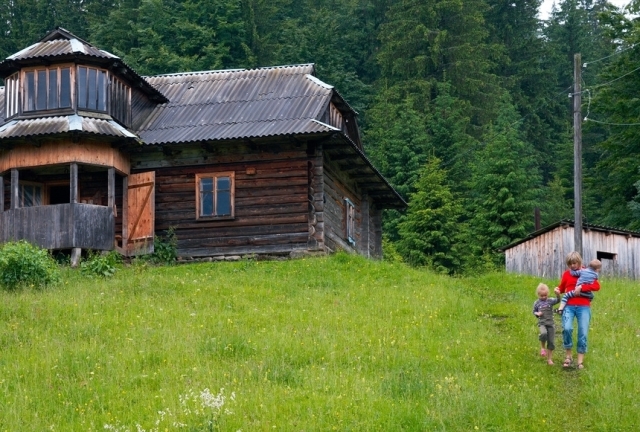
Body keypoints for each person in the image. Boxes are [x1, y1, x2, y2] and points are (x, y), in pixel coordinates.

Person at [554, 252, 601, 369]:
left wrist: (582, 287)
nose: (572, 266)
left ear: (580, 262)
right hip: (569, 306)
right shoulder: (566, 274)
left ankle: (580, 361)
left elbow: (596, 286)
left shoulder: (587, 272)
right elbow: (562, 287)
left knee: (583, 332)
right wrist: (557, 290)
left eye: (574, 263)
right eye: (570, 264)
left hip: (583, 306)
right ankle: (568, 356)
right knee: (567, 328)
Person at [532, 283, 560, 365]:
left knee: (551, 342)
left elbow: (558, 301)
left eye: (545, 295)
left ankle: (549, 359)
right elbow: (534, 311)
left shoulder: (550, 301)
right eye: (542, 296)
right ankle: (542, 348)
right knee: (543, 334)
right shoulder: (537, 303)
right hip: (542, 323)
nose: (544, 297)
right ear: (538, 294)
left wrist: (558, 295)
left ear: (547, 294)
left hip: (551, 324)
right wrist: (537, 313)